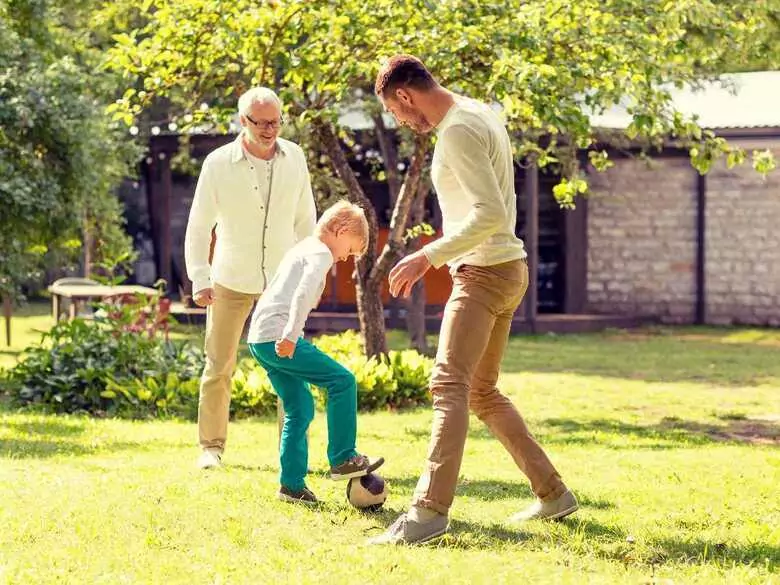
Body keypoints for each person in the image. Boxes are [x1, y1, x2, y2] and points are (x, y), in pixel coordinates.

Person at [369, 55, 578, 544]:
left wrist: (428, 256)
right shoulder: (480, 111)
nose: (400, 122)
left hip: (485, 272)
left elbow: (489, 213)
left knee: (448, 386)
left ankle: (427, 513)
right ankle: (553, 494)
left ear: (405, 95)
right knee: (481, 392)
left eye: (396, 112)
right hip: (508, 269)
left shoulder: (458, 130)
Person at [184, 87, 317, 469]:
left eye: (276, 121)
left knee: (290, 364)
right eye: (262, 123)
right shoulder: (217, 163)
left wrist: (311, 274)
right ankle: (211, 447)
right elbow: (198, 226)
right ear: (243, 121)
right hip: (229, 279)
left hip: (283, 280)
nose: (270, 129)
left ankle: (292, 452)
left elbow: (306, 220)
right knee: (219, 365)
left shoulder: (295, 157)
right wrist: (200, 278)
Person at [247, 200, 384, 504]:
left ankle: (291, 486)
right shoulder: (321, 253)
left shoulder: (303, 248)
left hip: (259, 338)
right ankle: (343, 457)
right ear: (340, 230)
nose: (346, 258)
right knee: (342, 381)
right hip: (278, 337)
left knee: (300, 409)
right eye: (350, 250)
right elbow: (301, 292)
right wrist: (291, 335)